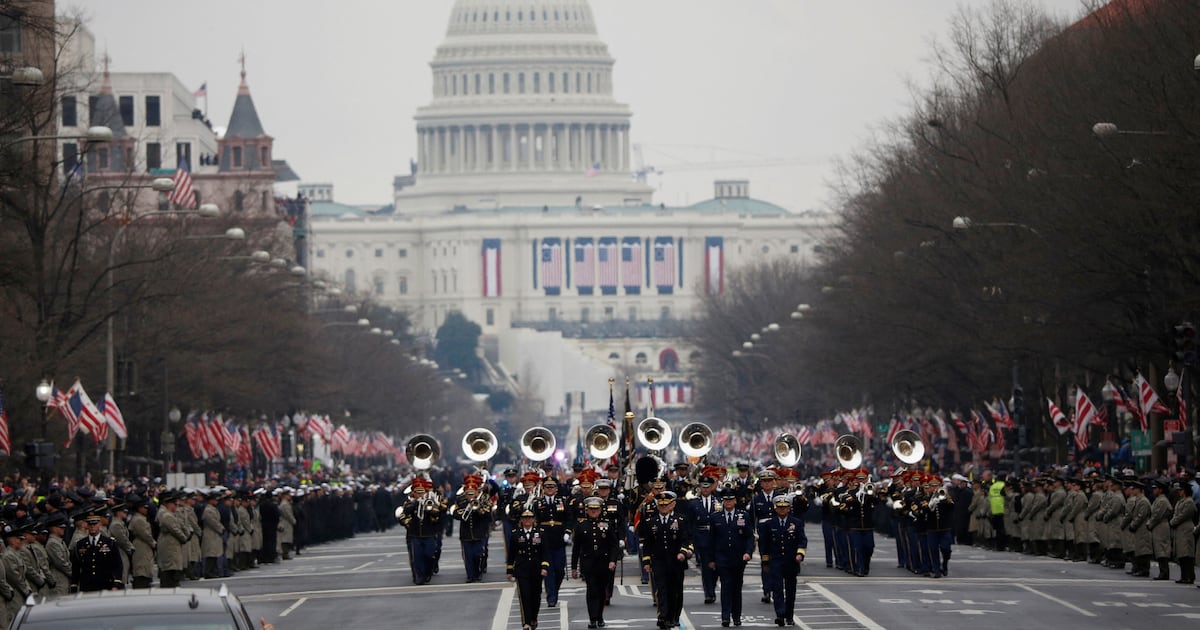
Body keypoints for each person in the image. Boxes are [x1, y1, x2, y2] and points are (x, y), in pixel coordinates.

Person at [637, 490, 693, 629]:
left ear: (672, 505)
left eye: (665, 505)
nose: (663, 508)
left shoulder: (680, 520)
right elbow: (647, 544)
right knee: (662, 590)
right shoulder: (651, 521)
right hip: (659, 562)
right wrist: (646, 561)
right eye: (660, 505)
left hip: (676, 562)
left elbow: (686, 539)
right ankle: (664, 616)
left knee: (675, 591)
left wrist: (683, 552)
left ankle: (674, 616)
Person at [707, 487, 754, 627]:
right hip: (722, 558)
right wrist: (711, 559)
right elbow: (711, 540)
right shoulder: (715, 517)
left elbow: (749, 537)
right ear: (722, 502)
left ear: (735, 501)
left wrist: (748, 552)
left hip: (738, 558)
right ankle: (725, 616)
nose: (728, 502)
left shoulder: (743, 515)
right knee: (726, 587)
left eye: (730, 500)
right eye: (725, 500)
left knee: (736, 588)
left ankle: (737, 616)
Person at [758, 495, 807, 627]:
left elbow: (802, 540)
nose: (782, 510)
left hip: (791, 561)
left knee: (790, 590)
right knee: (777, 589)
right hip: (776, 561)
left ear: (789, 508)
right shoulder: (769, 524)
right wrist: (765, 562)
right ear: (775, 508)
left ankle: (789, 615)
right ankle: (780, 614)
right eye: (779, 508)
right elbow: (764, 545)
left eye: (784, 508)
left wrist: (800, 554)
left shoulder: (796, 523)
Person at [572, 496, 620, 628]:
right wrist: (574, 567)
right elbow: (576, 548)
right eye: (591, 509)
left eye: (596, 509)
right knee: (591, 590)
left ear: (600, 510)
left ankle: (600, 616)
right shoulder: (581, 526)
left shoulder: (606, 524)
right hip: (588, 563)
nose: (594, 512)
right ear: (587, 510)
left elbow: (614, 545)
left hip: (604, 563)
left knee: (601, 591)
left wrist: (612, 560)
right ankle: (593, 618)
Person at [508, 509, 549, 630]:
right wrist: (510, 570)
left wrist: (544, 566)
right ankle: (526, 622)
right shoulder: (516, 533)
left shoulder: (540, 533)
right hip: (522, 569)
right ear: (521, 520)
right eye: (525, 518)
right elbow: (512, 553)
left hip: (536, 569)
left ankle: (533, 618)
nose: (527, 520)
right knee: (524, 596)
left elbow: (545, 552)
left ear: (534, 520)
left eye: (530, 518)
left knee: (536, 596)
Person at [533, 477, 570, 607]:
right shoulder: (537, 503)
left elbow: (568, 519)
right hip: (545, 539)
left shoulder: (563, 502)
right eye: (547, 487)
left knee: (560, 570)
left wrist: (567, 532)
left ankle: (554, 590)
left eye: (552, 487)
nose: (549, 489)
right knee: (548, 568)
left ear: (556, 488)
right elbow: (535, 520)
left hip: (559, 538)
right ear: (543, 489)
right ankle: (551, 596)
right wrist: (536, 536)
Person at [398, 477, 442, 585]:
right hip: (415, 534)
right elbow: (405, 513)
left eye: (422, 492)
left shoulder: (431, 502)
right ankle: (420, 576)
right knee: (417, 557)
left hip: (429, 534)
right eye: (418, 493)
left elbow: (437, 514)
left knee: (429, 555)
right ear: (414, 493)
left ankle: (428, 572)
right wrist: (417, 503)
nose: (420, 495)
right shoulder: (409, 503)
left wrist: (429, 508)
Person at [453, 476, 493, 583]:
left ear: (476, 492)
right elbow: (455, 514)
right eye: (468, 493)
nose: (470, 496)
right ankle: (470, 575)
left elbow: (488, 515)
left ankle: (478, 572)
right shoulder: (461, 501)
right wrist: (466, 509)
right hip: (466, 534)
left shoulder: (483, 500)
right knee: (468, 556)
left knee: (478, 554)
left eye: (472, 493)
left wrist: (478, 509)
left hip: (479, 532)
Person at [70, 514, 123, 592]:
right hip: (87, 585)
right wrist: (74, 584)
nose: (92, 527)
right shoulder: (80, 544)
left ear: (100, 525)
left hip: (105, 583)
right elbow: (76, 566)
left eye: (94, 524)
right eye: (90, 524)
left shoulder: (109, 542)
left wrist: (116, 582)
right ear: (87, 525)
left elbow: (117, 564)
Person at [155, 492, 191, 588]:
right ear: (169, 504)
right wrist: (184, 538)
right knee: (170, 571)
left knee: (172, 570)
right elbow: (175, 530)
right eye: (175, 504)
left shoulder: (169, 514)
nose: (176, 507)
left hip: (171, 545)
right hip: (170, 546)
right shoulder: (167, 515)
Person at [1170, 481, 1197, 584]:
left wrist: (1173, 522)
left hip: (1186, 528)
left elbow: (1183, 515)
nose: (1179, 492)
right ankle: (1183, 576)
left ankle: (1189, 576)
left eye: (1180, 490)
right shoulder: (1180, 501)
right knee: (1181, 554)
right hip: (1180, 529)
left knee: (1187, 554)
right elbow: (1176, 513)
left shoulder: (1189, 502)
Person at [128, 496, 156, 589]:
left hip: (144, 547)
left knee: (145, 568)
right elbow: (145, 535)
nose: (146, 509)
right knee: (142, 569)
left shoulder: (141, 518)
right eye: (145, 507)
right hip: (141, 547)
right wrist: (153, 544)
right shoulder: (138, 520)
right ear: (139, 508)